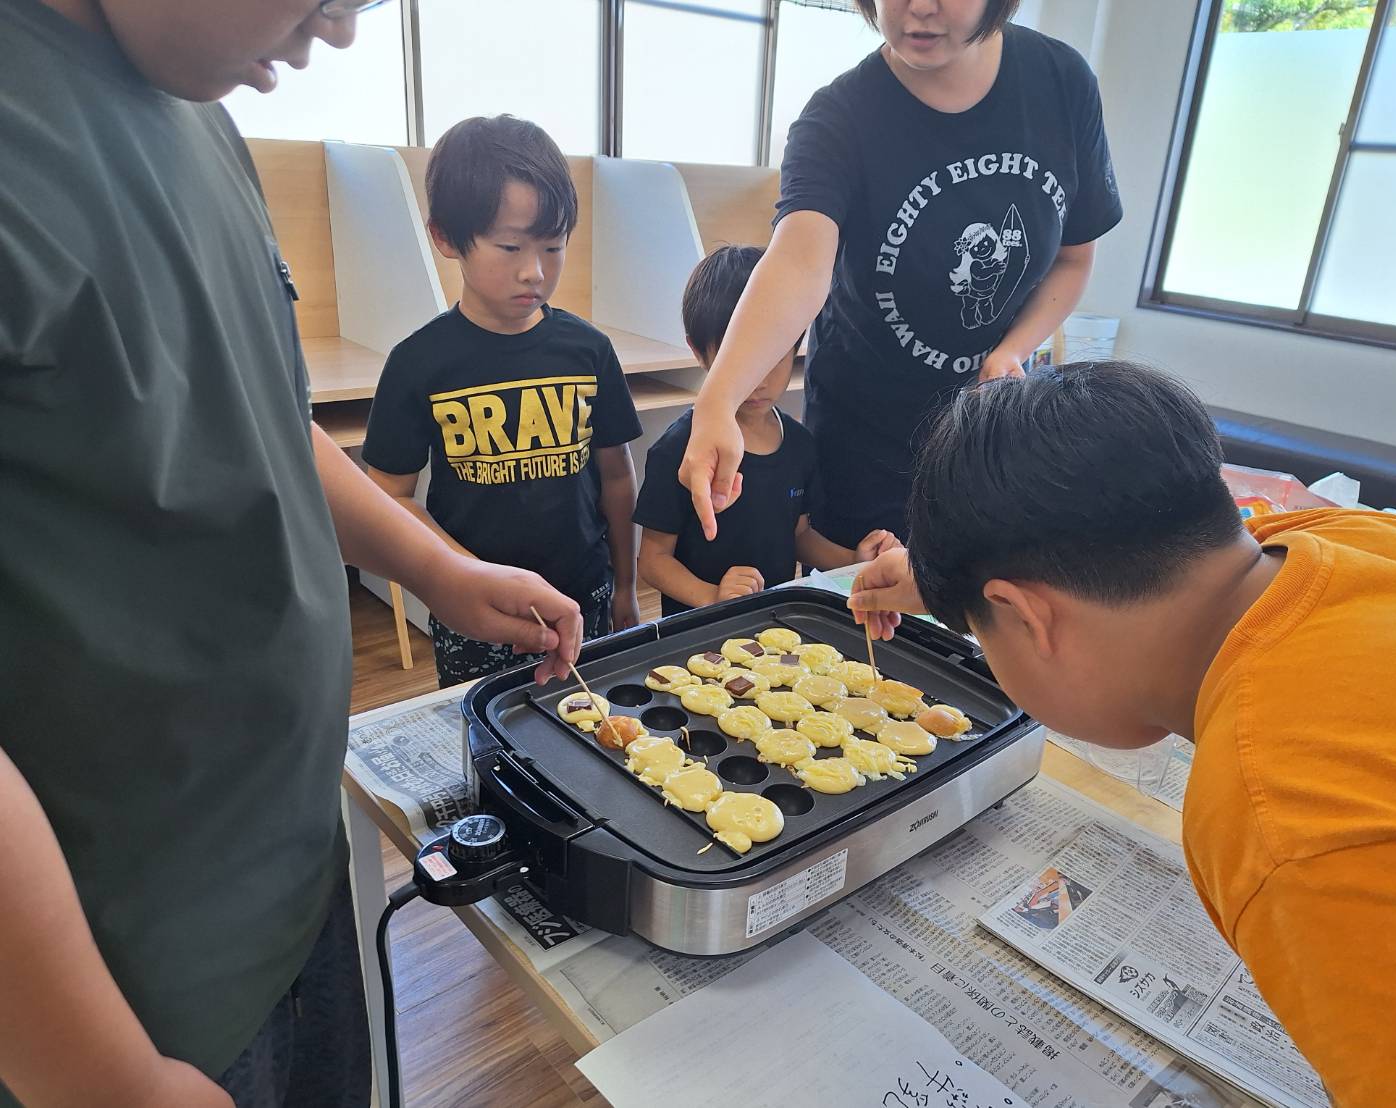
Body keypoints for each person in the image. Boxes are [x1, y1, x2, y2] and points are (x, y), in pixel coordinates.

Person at [0, 3, 585, 1106]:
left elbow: (263, 409)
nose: (341, 31)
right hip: (128, 988)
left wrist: (438, 569)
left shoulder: (195, 104)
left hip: (293, 872)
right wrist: (104, 1076)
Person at [849, 361, 1396, 1105]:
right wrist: (952, 584)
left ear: (1025, 615)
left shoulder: (1286, 820)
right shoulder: (1344, 534)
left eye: (983, 633)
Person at [678, 0, 1121, 547]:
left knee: (976, 584)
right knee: (864, 590)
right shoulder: (839, 117)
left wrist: (1012, 350)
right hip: (865, 431)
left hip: (988, 431)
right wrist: (717, 399)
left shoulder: (1061, 81)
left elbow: (1072, 258)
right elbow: (798, 261)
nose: (920, 8)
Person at [364, 115, 642, 686]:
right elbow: (389, 495)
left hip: (581, 594)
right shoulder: (418, 362)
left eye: (553, 247)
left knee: (585, 722)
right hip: (475, 610)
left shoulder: (588, 350)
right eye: (510, 246)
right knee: (483, 726)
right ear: (446, 238)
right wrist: (461, 575)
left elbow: (617, 476)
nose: (534, 271)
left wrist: (627, 585)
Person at [634, 246, 897, 615]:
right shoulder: (680, 448)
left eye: (772, 355)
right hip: (700, 631)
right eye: (736, 357)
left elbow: (799, 535)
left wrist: (853, 560)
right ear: (698, 350)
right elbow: (652, 561)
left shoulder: (800, 444)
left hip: (777, 625)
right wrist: (712, 596)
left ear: (795, 343)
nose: (757, 378)